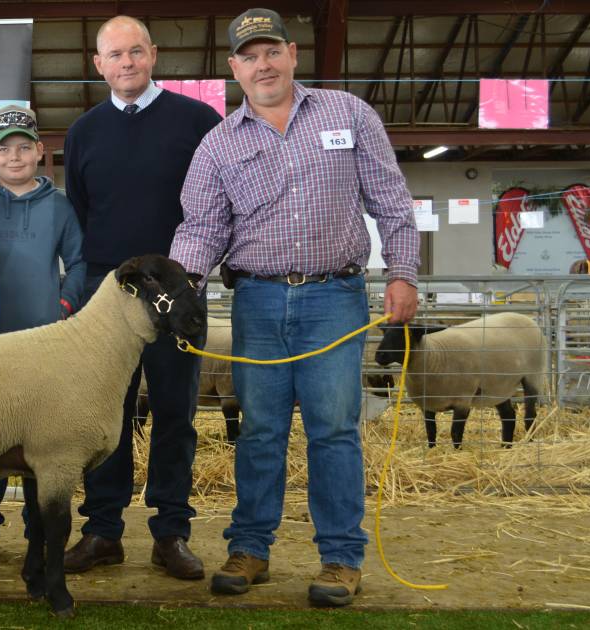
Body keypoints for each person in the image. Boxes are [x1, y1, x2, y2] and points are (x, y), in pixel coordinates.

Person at [169, 8, 420, 607]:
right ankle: (251, 547)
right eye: (249, 57)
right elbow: (202, 227)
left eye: (271, 51)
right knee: (260, 430)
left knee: (333, 429)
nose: (263, 65)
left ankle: (340, 558)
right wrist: (179, 288)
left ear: (293, 54)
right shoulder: (218, 144)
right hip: (255, 298)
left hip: (335, 295)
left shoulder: (347, 114)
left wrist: (403, 272)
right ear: (234, 68)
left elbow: (391, 200)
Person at [61, 15, 222, 581]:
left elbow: (213, 205)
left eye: (135, 52)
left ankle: (171, 531)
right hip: (108, 298)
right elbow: (82, 213)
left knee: (175, 411)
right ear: (97, 63)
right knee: (106, 414)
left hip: (176, 292)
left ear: (152, 55)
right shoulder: (83, 132)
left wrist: (188, 281)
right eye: (114, 54)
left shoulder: (198, 121)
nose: (126, 63)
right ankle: (103, 530)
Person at [0, 105, 86, 564]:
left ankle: (40, 543)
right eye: (4, 148)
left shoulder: (59, 206)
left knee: (45, 443)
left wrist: (65, 303)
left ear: (39, 150)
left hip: (43, 347)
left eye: (22, 147)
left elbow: (77, 262)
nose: (14, 157)